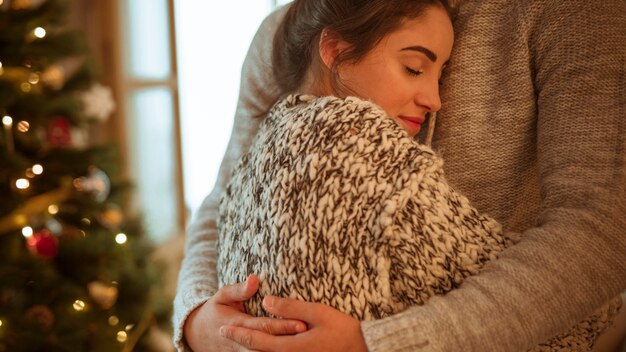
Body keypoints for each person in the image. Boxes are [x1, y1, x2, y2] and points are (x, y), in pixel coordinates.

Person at [174, 0, 626, 351]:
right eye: (413, 69)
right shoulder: (287, 32)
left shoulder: (572, 13)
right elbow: (228, 195)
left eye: (436, 73)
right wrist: (197, 320)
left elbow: (602, 223)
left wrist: (388, 343)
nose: (435, 98)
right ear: (333, 51)